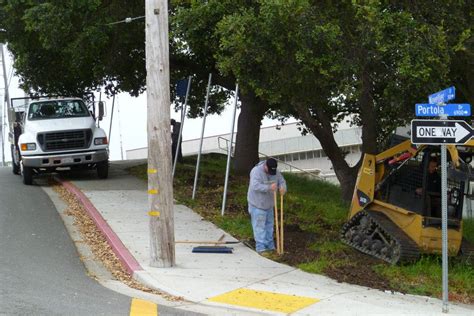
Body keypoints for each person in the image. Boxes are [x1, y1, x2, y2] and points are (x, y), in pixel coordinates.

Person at [247, 158, 287, 255]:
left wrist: (283, 188)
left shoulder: (275, 171)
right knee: (260, 227)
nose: (271, 173)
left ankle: (270, 246)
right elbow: (254, 186)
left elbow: (281, 181)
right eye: (270, 170)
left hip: (269, 205)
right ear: (265, 166)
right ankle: (261, 248)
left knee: (269, 226)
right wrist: (268, 187)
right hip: (257, 205)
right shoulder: (256, 171)